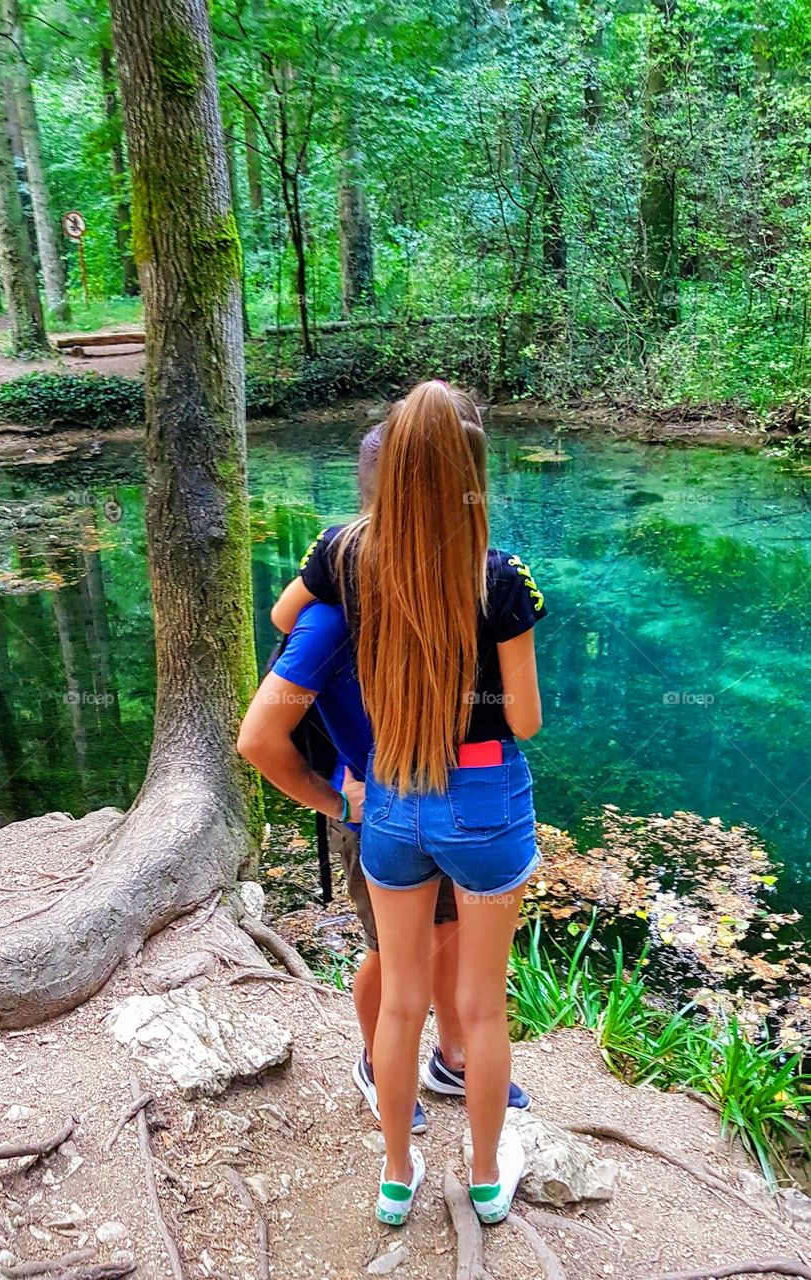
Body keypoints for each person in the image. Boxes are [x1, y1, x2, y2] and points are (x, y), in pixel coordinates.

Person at [270, 382, 546, 1227]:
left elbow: (286, 617)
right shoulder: (502, 580)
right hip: (485, 802)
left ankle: (397, 1176)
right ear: (473, 474)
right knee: (482, 1005)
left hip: (388, 797)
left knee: (400, 999)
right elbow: (526, 720)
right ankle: (489, 1177)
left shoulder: (345, 553)